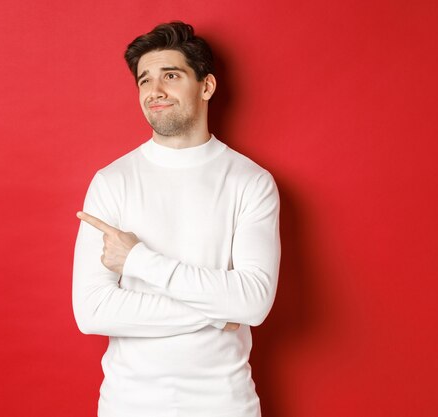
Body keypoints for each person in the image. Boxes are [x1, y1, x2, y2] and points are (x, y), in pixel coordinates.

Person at [72, 21, 280, 417]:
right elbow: (92, 311)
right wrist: (218, 312)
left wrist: (137, 261)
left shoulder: (251, 182)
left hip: (226, 406)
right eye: (144, 80)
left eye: (171, 75)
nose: (155, 91)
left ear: (206, 86)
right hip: (128, 406)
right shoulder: (111, 181)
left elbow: (253, 302)